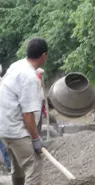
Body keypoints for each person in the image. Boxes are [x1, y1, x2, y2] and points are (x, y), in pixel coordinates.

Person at [0, 38, 47, 185]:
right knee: (34, 166)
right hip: (16, 130)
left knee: (18, 168)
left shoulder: (17, 65)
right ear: (44, 55)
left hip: (4, 126)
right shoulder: (29, 78)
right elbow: (27, 114)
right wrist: (35, 138)